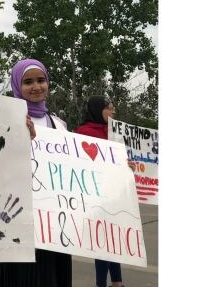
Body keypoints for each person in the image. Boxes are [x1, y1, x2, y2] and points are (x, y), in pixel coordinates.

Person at [0, 58, 71, 287]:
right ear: (18, 85)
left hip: (55, 220)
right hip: (20, 218)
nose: (36, 86)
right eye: (28, 82)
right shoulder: (7, 120)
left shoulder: (59, 124)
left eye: (41, 80)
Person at [75, 95, 124, 287]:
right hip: (95, 196)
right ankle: (101, 284)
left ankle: (118, 282)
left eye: (113, 108)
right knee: (102, 241)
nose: (113, 112)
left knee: (114, 240)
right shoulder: (83, 132)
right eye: (109, 108)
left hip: (114, 195)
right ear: (98, 110)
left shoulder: (114, 132)